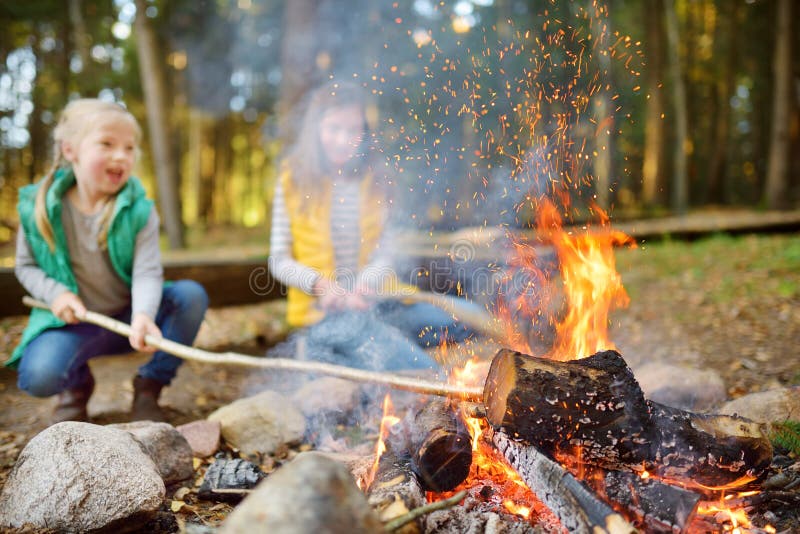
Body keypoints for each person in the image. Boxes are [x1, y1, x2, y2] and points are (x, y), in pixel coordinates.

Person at [7, 98, 208, 424]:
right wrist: (56, 294)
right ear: (70, 150)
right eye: (107, 144)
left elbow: (147, 272)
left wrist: (143, 314)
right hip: (72, 325)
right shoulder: (37, 207)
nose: (121, 156)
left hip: (127, 318)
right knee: (39, 376)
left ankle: (149, 385)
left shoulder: (139, 211)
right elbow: (26, 267)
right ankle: (75, 385)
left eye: (129, 148)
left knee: (190, 296)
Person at [268, 81, 472, 371]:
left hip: (380, 303)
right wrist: (321, 286)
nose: (343, 139)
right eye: (334, 128)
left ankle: (372, 349)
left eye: (354, 130)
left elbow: (386, 253)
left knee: (467, 322)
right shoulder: (293, 179)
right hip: (325, 316)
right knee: (425, 371)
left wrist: (365, 285)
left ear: (365, 132)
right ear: (316, 129)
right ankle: (337, 349)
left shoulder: (377, 178)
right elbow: (278, 259)